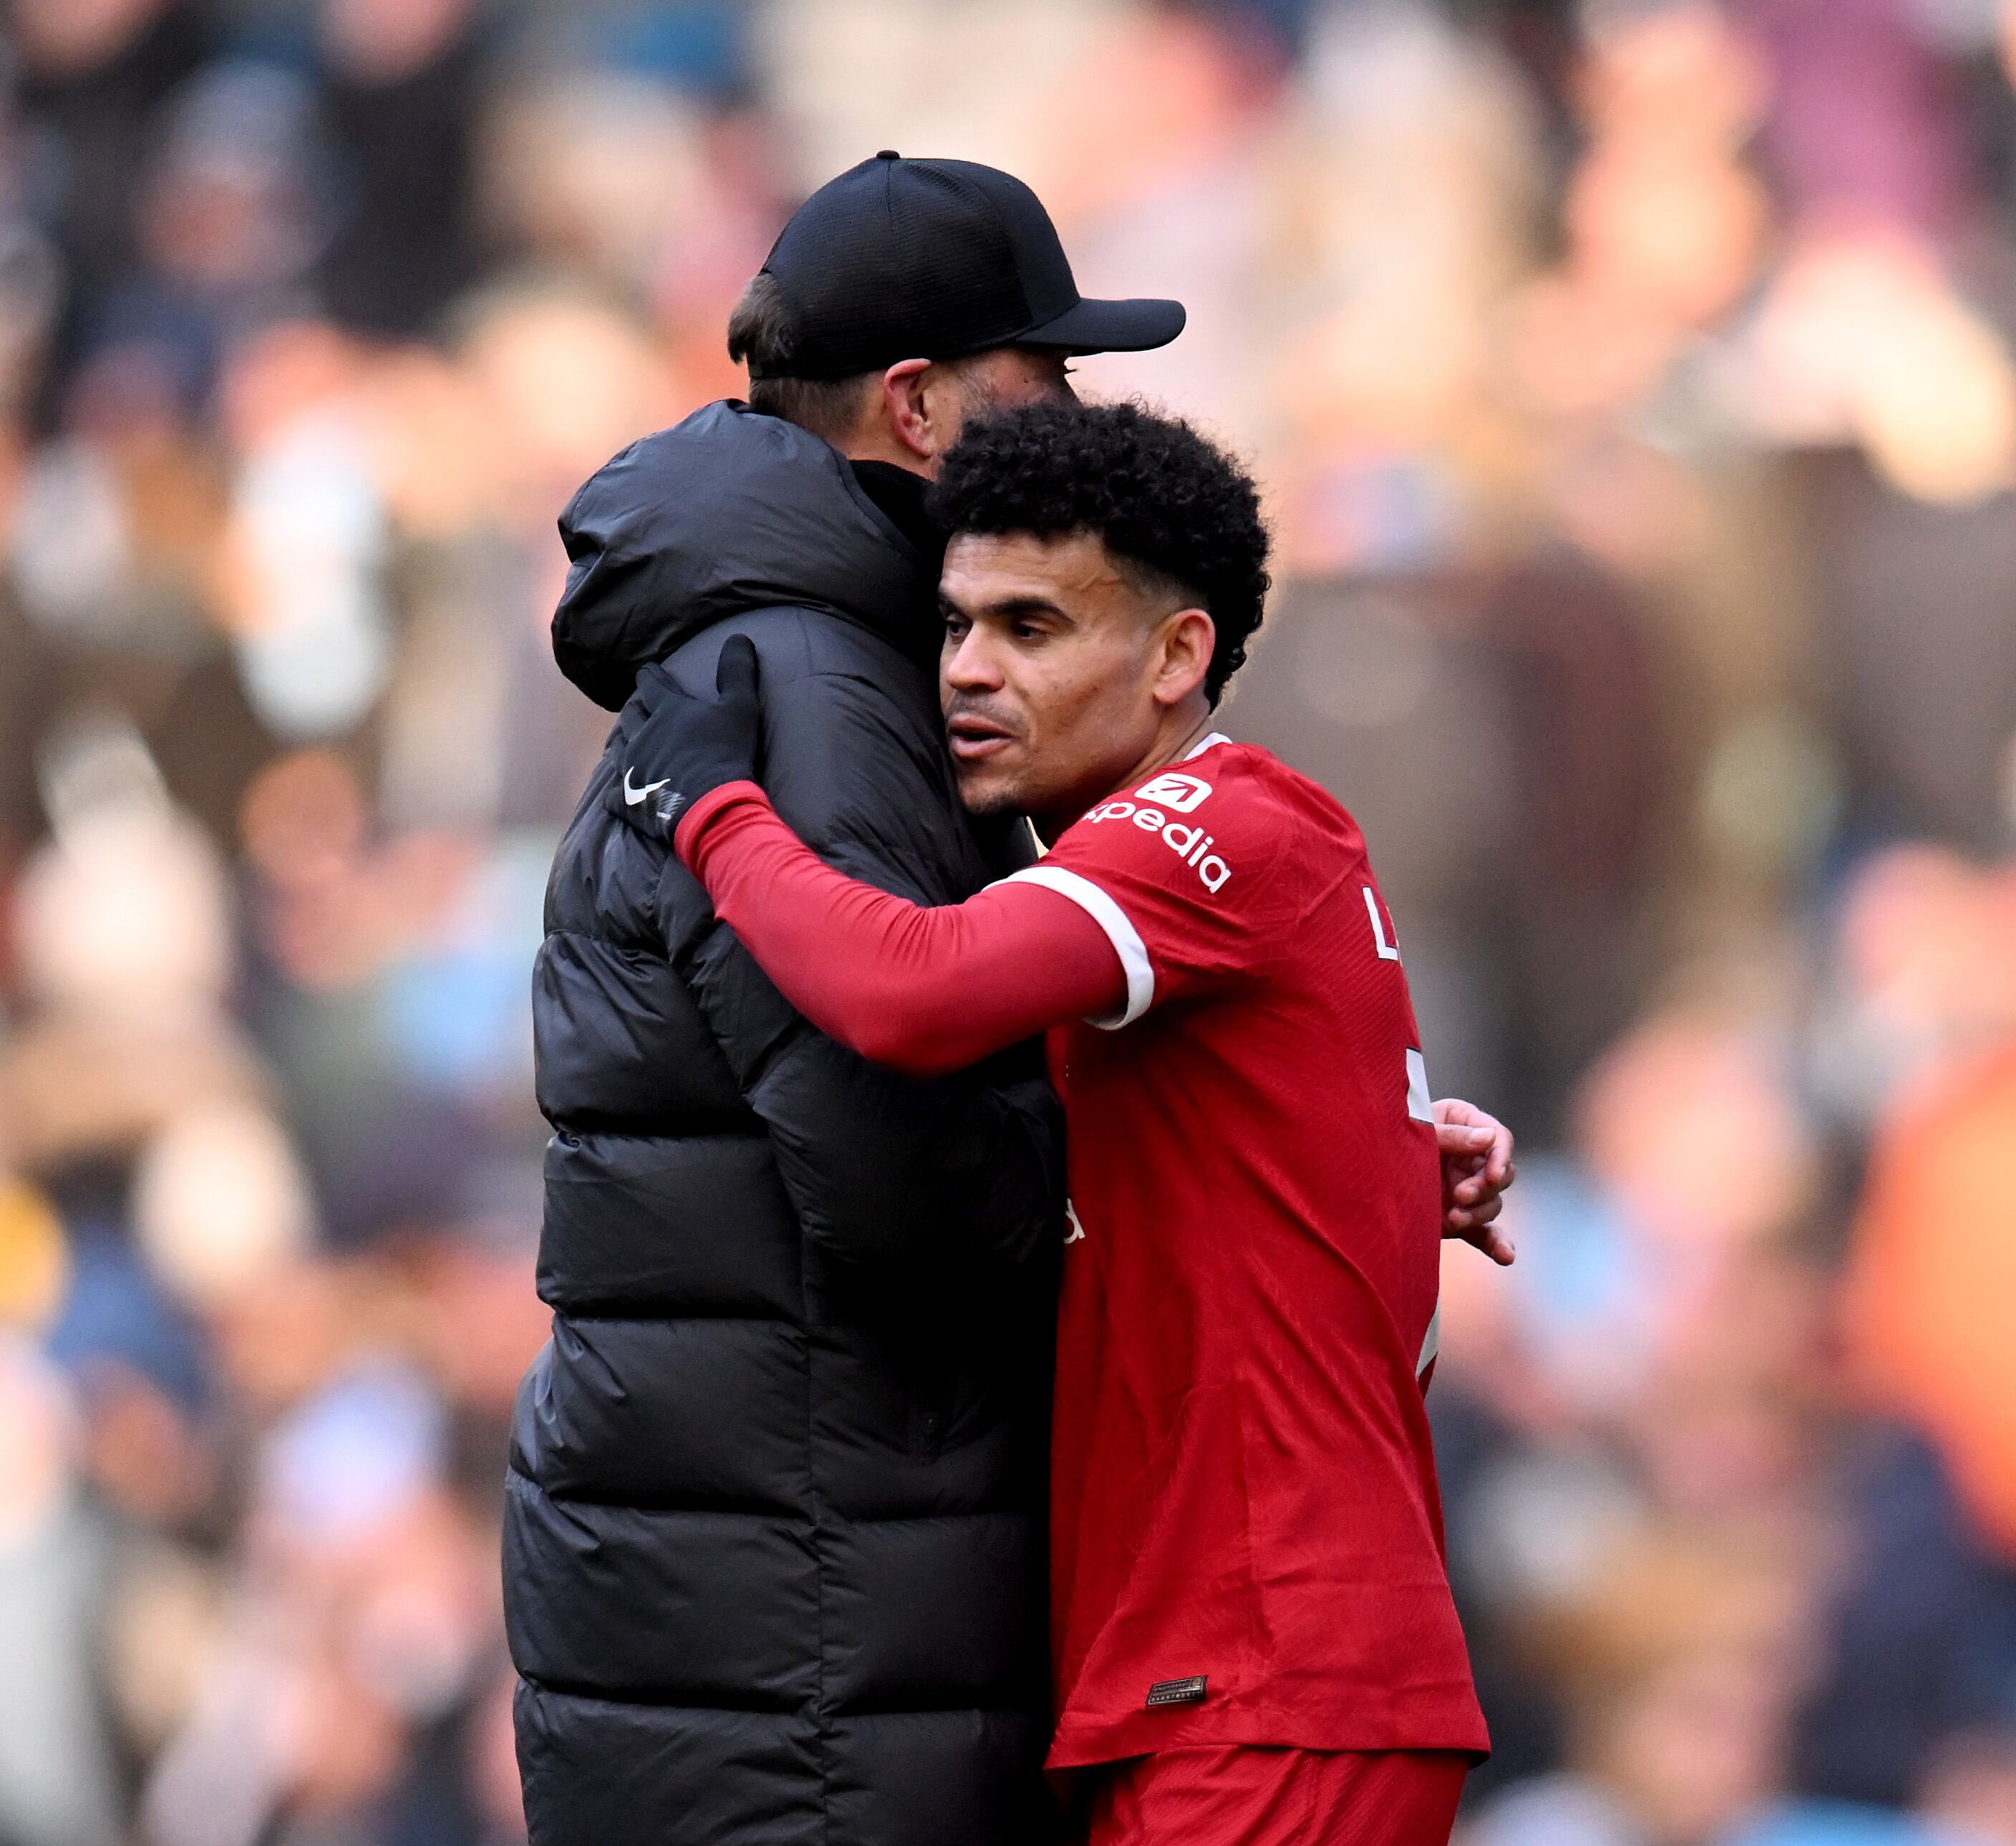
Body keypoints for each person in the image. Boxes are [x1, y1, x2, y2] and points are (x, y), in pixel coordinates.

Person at [613, 399, 1498, 1845]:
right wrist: (1403, 1153)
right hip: (1213, 1686)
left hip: (1272, 1687)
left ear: (1175, 656)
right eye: (956, 624)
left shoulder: (1216, 824)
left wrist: (712, 811)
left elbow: (908, 990)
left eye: (1031, 627)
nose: (969, 668)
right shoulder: (1191, 892)